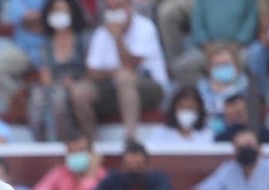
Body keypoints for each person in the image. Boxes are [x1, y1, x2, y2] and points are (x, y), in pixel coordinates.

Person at [75, 0, 169, 141]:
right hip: (112, 87)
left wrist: (118, 38)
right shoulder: (101, 33)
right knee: (80, 91)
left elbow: (130, 65)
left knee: (124, 77)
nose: (114, 12)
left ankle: (130, 138)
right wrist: (113, 73)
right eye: (110, 8)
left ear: (129, 7)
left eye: (119, 7)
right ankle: (90, 142)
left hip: (150, 87)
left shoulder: (145, 27)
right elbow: (92, 71)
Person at [27, 0, 94, 141]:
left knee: (61, 98)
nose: (59, 14)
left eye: (64, 10)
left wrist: (73, 83)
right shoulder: (46, 43)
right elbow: (45, 72)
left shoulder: (83, 39)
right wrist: (54, 84)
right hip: (56, 83)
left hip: (79, 81)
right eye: (56, 10)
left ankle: (68, 139)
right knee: (38, 96)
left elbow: (91, 71)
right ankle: (41, 140)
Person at [186, 128, 269, 190]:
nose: (245, 150)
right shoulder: (228, 169)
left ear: (260, 149)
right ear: (234, 152)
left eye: (248, 146)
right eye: (240, 148)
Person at [74, 139, 171, 190]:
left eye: (138, 166)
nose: (134, 171)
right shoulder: (114, 179)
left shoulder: (158, 179)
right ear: (122, 167)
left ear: (146, 166)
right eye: (129, 167)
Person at [30, 132, 110, 190]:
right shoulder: (60, 172)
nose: (76, 156)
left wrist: (90, 175)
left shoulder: (104, 177)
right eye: (72, 152)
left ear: (91, 153)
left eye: (80, 151)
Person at [144, 85, 213, 145]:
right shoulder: (160, 133)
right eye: (182, 108)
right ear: (174, 109)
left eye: (191, 108)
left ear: (199, 110)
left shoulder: (208, 134)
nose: (186, 112)